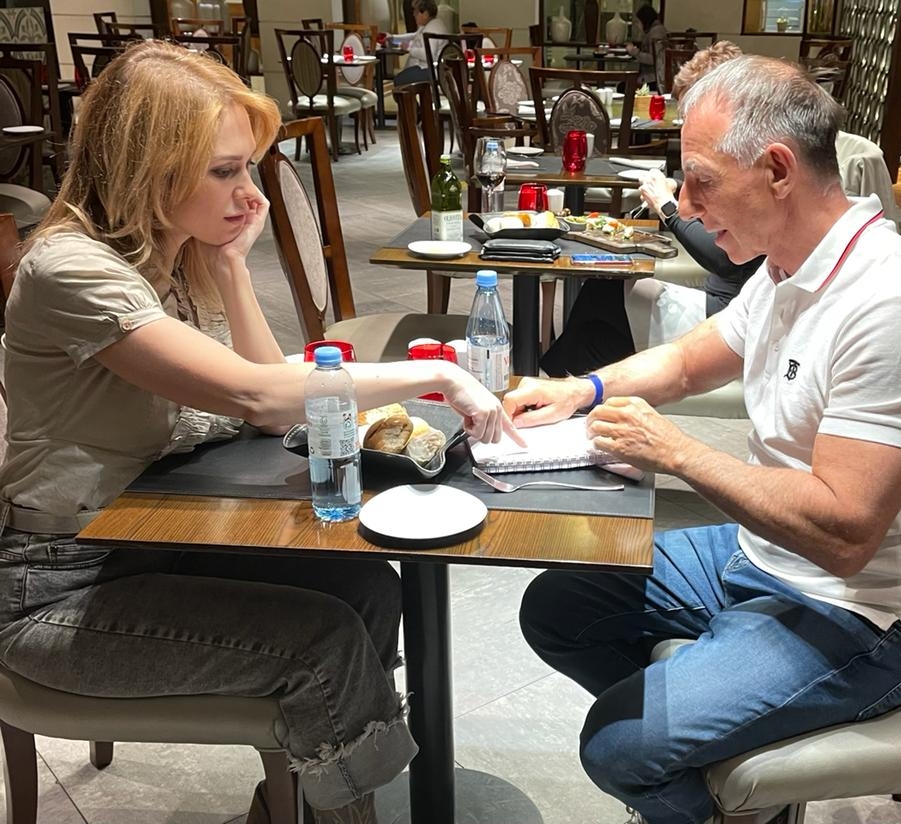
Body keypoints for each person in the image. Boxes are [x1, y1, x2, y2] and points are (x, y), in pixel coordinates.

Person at [0, 40, 520, 824]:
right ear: (146, 170)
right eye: (225, 171)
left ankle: (298, 805)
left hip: (149, 540)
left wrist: (233, 267)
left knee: (367, 587)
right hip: (56, 583)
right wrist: (439, 375)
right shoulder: (72, 270)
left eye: (247, 168)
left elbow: (269, 392)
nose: (249, 194)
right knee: (323, 644)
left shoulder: (171, 254)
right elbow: (260, 395)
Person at [510, 55, 901, 824]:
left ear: (778, 170)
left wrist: (676, 452)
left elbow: (844, 533)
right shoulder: (789, 268)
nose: (685, 205)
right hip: (764, 558)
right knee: (559, 606)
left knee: (617, 745)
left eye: (701, 181)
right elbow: (691, 360)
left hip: (864, 617)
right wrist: (581, 390)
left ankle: (715, 786)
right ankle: (716, 746)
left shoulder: (895, 305)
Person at [539, 41, 760, 378]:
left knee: (605, 293)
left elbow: (725, 259)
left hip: (731, 316)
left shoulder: (749, 164)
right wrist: (678, 193)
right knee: (599, 322)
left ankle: (553, 374)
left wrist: (667, 206)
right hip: (725, 301)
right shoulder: (738, 155)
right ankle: (562, 378)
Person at [392, 0, 448, 86]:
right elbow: (414, 35)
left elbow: (428, 54)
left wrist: (409, 48)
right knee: (401, 77)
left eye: (416, 12)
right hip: (428, 68)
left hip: (429, 70)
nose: (413, 15)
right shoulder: (429, 25)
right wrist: (393, 38)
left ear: (425, 14)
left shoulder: (432, 29)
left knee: (399, 80)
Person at [625, 5, 668, 90]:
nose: (637, 25)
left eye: (638, 22)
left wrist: (634, 52)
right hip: (650, 76)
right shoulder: (653, 30)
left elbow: (654, 59)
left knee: (624, 87)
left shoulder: (656, 32)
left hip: (653, 79)